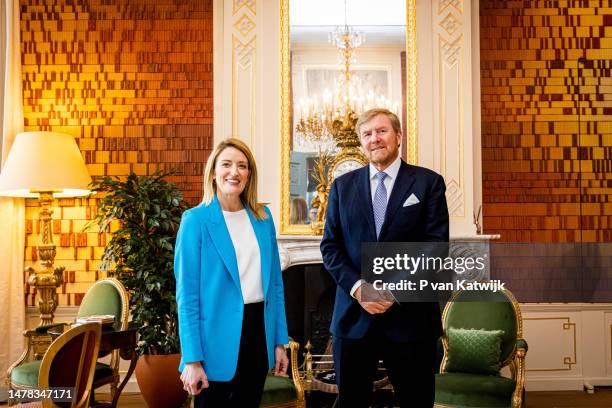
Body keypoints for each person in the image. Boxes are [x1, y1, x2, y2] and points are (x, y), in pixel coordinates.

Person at [320, 108, 449, 407]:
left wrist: (393, 289)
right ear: (362, 143)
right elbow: (330, 247)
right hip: (353, 317)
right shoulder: (342, 186)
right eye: (367, 134)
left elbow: (434, 246)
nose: (374, 139)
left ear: (398, 136)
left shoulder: (428, 183)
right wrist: (358, 288)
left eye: (381, 131)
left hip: (411, 320)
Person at [175, 138, 289, 408]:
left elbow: (275, 286)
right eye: (226, 164)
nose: (234, 172)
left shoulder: (263, 218)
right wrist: (192, 359)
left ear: (249, 175)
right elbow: (187, 297)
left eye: (242, 166)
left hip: (258, 334)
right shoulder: (195, 220)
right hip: (213, 342)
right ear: (213, 172)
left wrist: (280, 341)